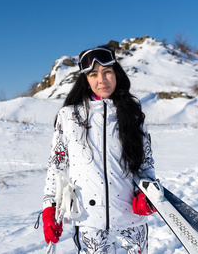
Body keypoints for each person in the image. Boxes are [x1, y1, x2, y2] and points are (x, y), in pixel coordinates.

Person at [42, 43, 156, 253]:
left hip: (131, 221)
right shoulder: (69, 116)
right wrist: (50, 208)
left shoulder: (133, 114)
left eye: (107, 72)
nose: (101, 80)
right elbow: (56, 167)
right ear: (86, 80)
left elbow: (146, 163)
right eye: (93, 74)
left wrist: (147, 194)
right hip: (89, 222)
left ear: (116, 75)